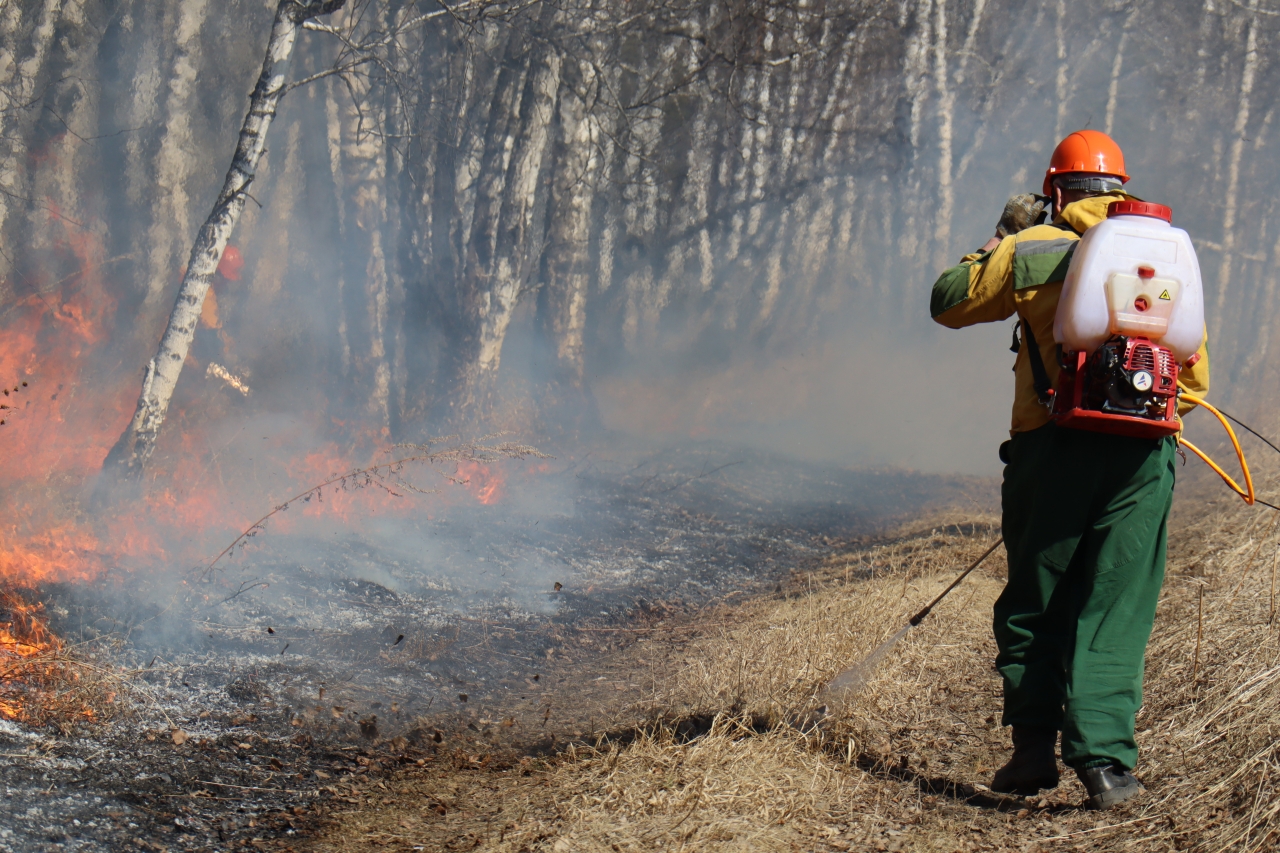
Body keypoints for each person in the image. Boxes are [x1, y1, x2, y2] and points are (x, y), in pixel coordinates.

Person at [929, 130, 1211, 810]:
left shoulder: (1033, 248)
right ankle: (1107, 766)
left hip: (1047, 450)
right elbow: (1194, 380)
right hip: (1144, 460)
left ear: (1055, 191)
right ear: (1120, 187)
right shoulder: (1166, 250)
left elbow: (948, 300)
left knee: (1037, 594)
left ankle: (1031, 750)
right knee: (1117, 605)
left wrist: (1001, 237)